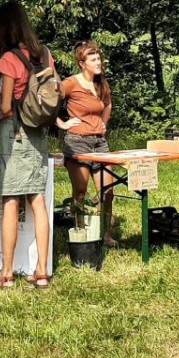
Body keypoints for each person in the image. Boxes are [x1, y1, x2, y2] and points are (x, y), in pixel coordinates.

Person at [0, 2, 53, 288]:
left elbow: (4, 105)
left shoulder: (8, 59)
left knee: (10, 199)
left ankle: (8, 272)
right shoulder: (45, 54)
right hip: (38, 131)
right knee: (37, 198)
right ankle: (41, 272)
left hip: (13, 132)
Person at [57, 40, 116, 247]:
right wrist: (62, 123)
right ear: (82, 63)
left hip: (99, 143)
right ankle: (80, 231)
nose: (98, 62)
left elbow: (107, 104)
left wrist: (103, 123)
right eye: (93, 59)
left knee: (108, 190)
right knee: (80, 191)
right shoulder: (71, 83)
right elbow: (47, 101)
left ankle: (105, 234)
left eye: (99, 58)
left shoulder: (101, 84)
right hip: (77, 142)